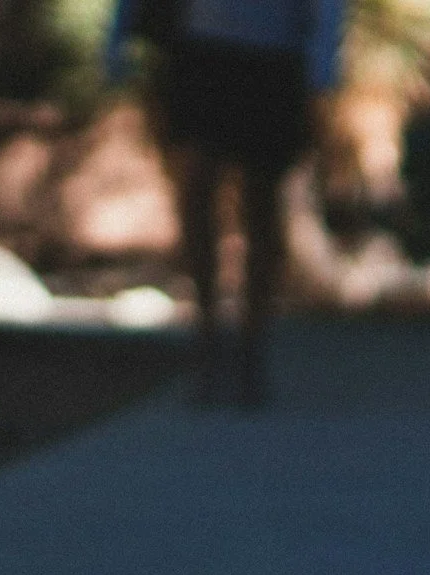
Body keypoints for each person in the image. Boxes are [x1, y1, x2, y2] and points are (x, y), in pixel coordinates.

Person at [108, 0, 346, 405]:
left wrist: (321, 70)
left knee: (261, 206)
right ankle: (207, 339)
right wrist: (117, 39)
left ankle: (252, 346)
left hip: (271, 57)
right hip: (201, 54)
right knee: (196, 193)